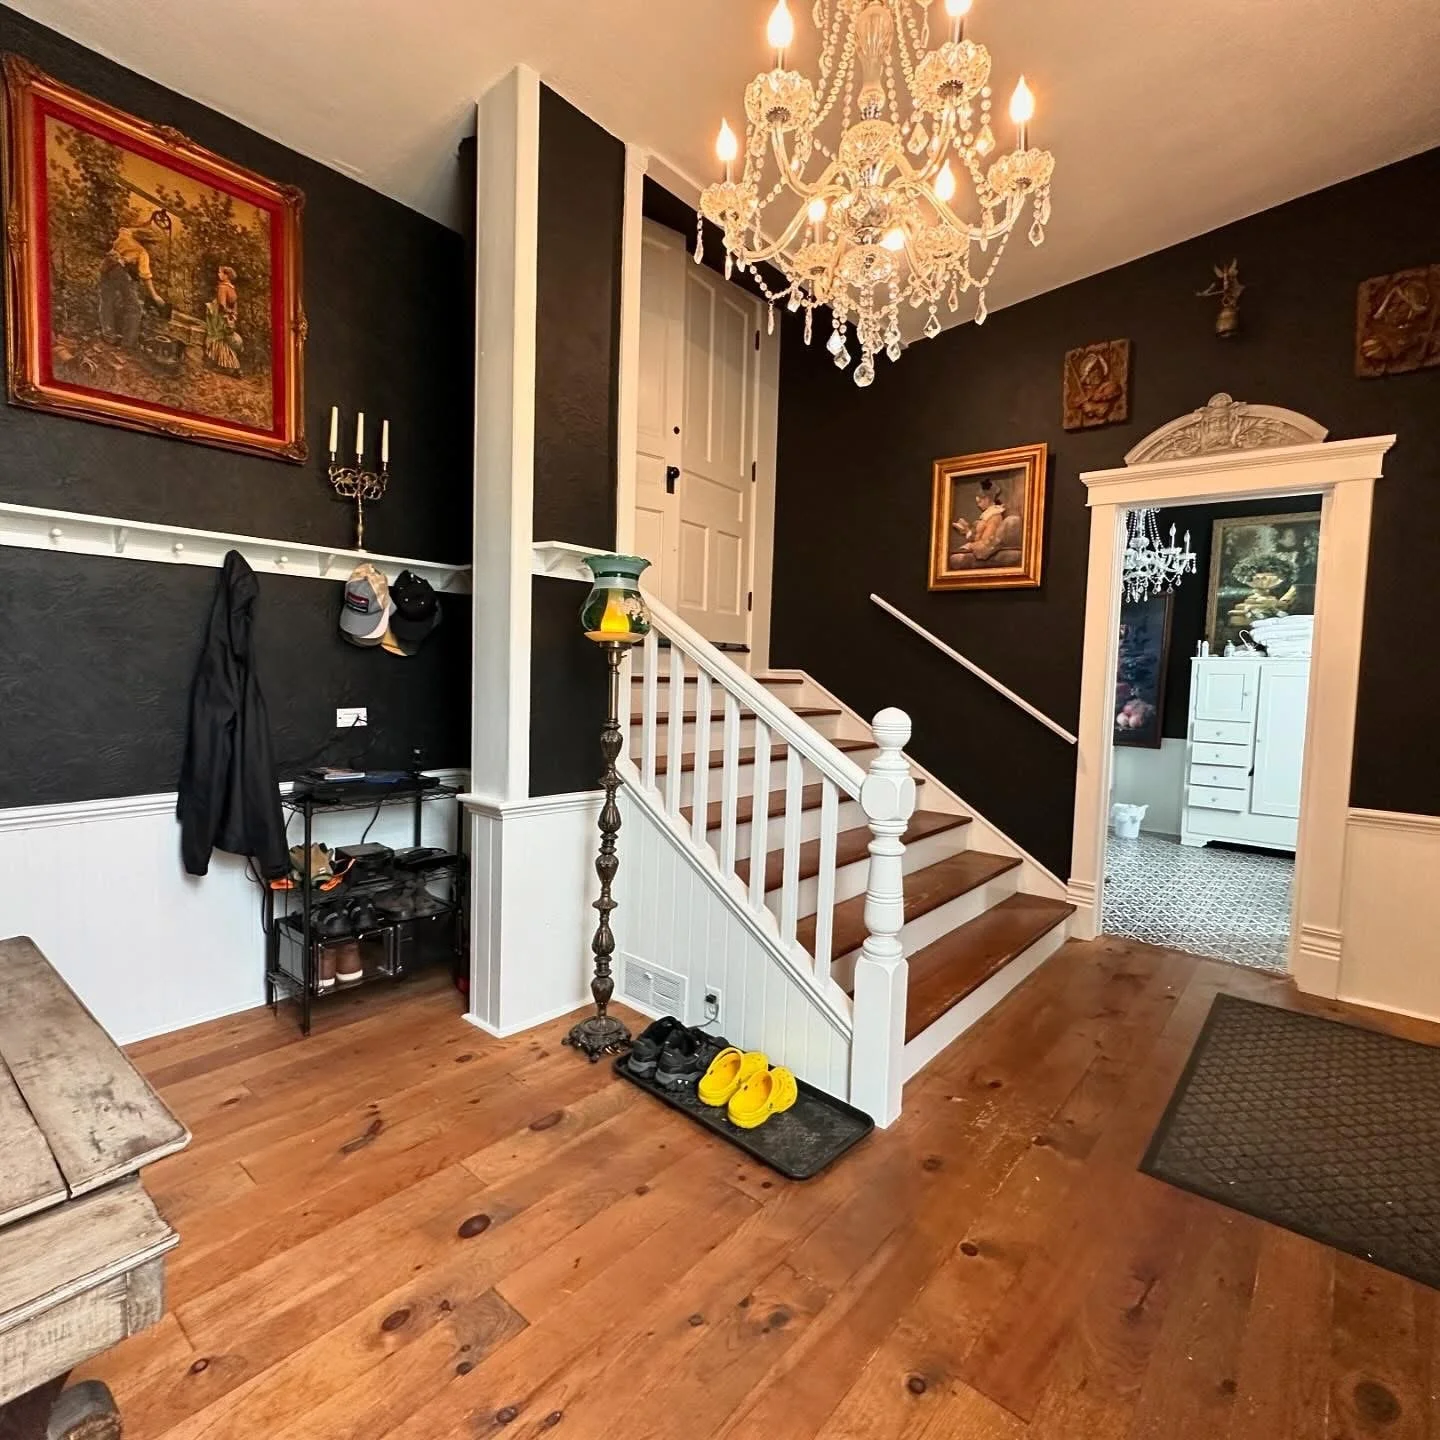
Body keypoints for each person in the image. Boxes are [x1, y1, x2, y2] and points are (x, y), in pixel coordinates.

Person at [98, 210, 171, 348]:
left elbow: (135, 228)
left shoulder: (125, 234)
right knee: (134, 308)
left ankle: (109, 336)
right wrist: (155, 296)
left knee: (106, 300)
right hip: (120, 271)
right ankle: (128, 343)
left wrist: (150, 221)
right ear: (146, 242)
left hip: (107, 266)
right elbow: (146, 276)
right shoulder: (142, 252)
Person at [951, 478, 1024, 568]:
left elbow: (986, 543)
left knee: (955, 558)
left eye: (979, 501)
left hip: (986, 553)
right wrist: (966, 531)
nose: (978, 505)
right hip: (981, 549)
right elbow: (981, 537)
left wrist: (970, 545)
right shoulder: (988, 515)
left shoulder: (994, 516)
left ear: (987, 499)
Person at [204, 265, 243, 374]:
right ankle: (233, 367)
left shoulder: (223, 287)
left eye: (221, 273)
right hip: (228, 317)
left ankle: (229, 366)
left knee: (217, 339)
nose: (218, 274)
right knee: (225, 340)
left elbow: (221, 305)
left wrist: (220, 311)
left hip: (219, 317)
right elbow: (234, 305)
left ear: (227, 276)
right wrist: (233, 315)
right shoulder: (232, 288)